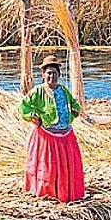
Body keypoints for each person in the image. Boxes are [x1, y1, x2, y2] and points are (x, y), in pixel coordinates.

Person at [20, 55, 85, 203]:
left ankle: (64, 192)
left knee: (65, 166)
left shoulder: (63, 90)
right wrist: (33, 117)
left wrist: (73, 114)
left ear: (59, 75)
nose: (52, 76)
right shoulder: (37, 92)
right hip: (47, 135)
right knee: (49, 166)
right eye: (49, 73)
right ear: (43, 75)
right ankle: (48, 193)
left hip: (65, 134)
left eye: (54, 73)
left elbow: (75, 105)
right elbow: (23, 107)